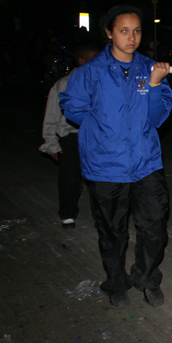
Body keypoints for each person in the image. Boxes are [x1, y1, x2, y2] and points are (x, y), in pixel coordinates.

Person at [60, 5, 172, 307]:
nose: (131, 38)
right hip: (105, 164)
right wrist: (103, 131)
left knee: (154, 225)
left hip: (146, 161)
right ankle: (116, 282)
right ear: (109, 33)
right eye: (123, 31)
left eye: (136, 31)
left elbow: (157, 118)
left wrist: (154, 85)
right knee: (112, 230)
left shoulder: (151, 69)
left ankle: (146, 277)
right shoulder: (90, 72)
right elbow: (73, 109)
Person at [39, 43, 101, 229]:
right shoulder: (65, 84)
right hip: (71, 137)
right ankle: (67, 214)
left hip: (96, 137)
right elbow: (52, 115)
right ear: (81, 60)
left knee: (99, 178)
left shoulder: (102, 81)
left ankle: (101, 215)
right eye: (94, 59)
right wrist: (51, 142)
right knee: (70, 177)